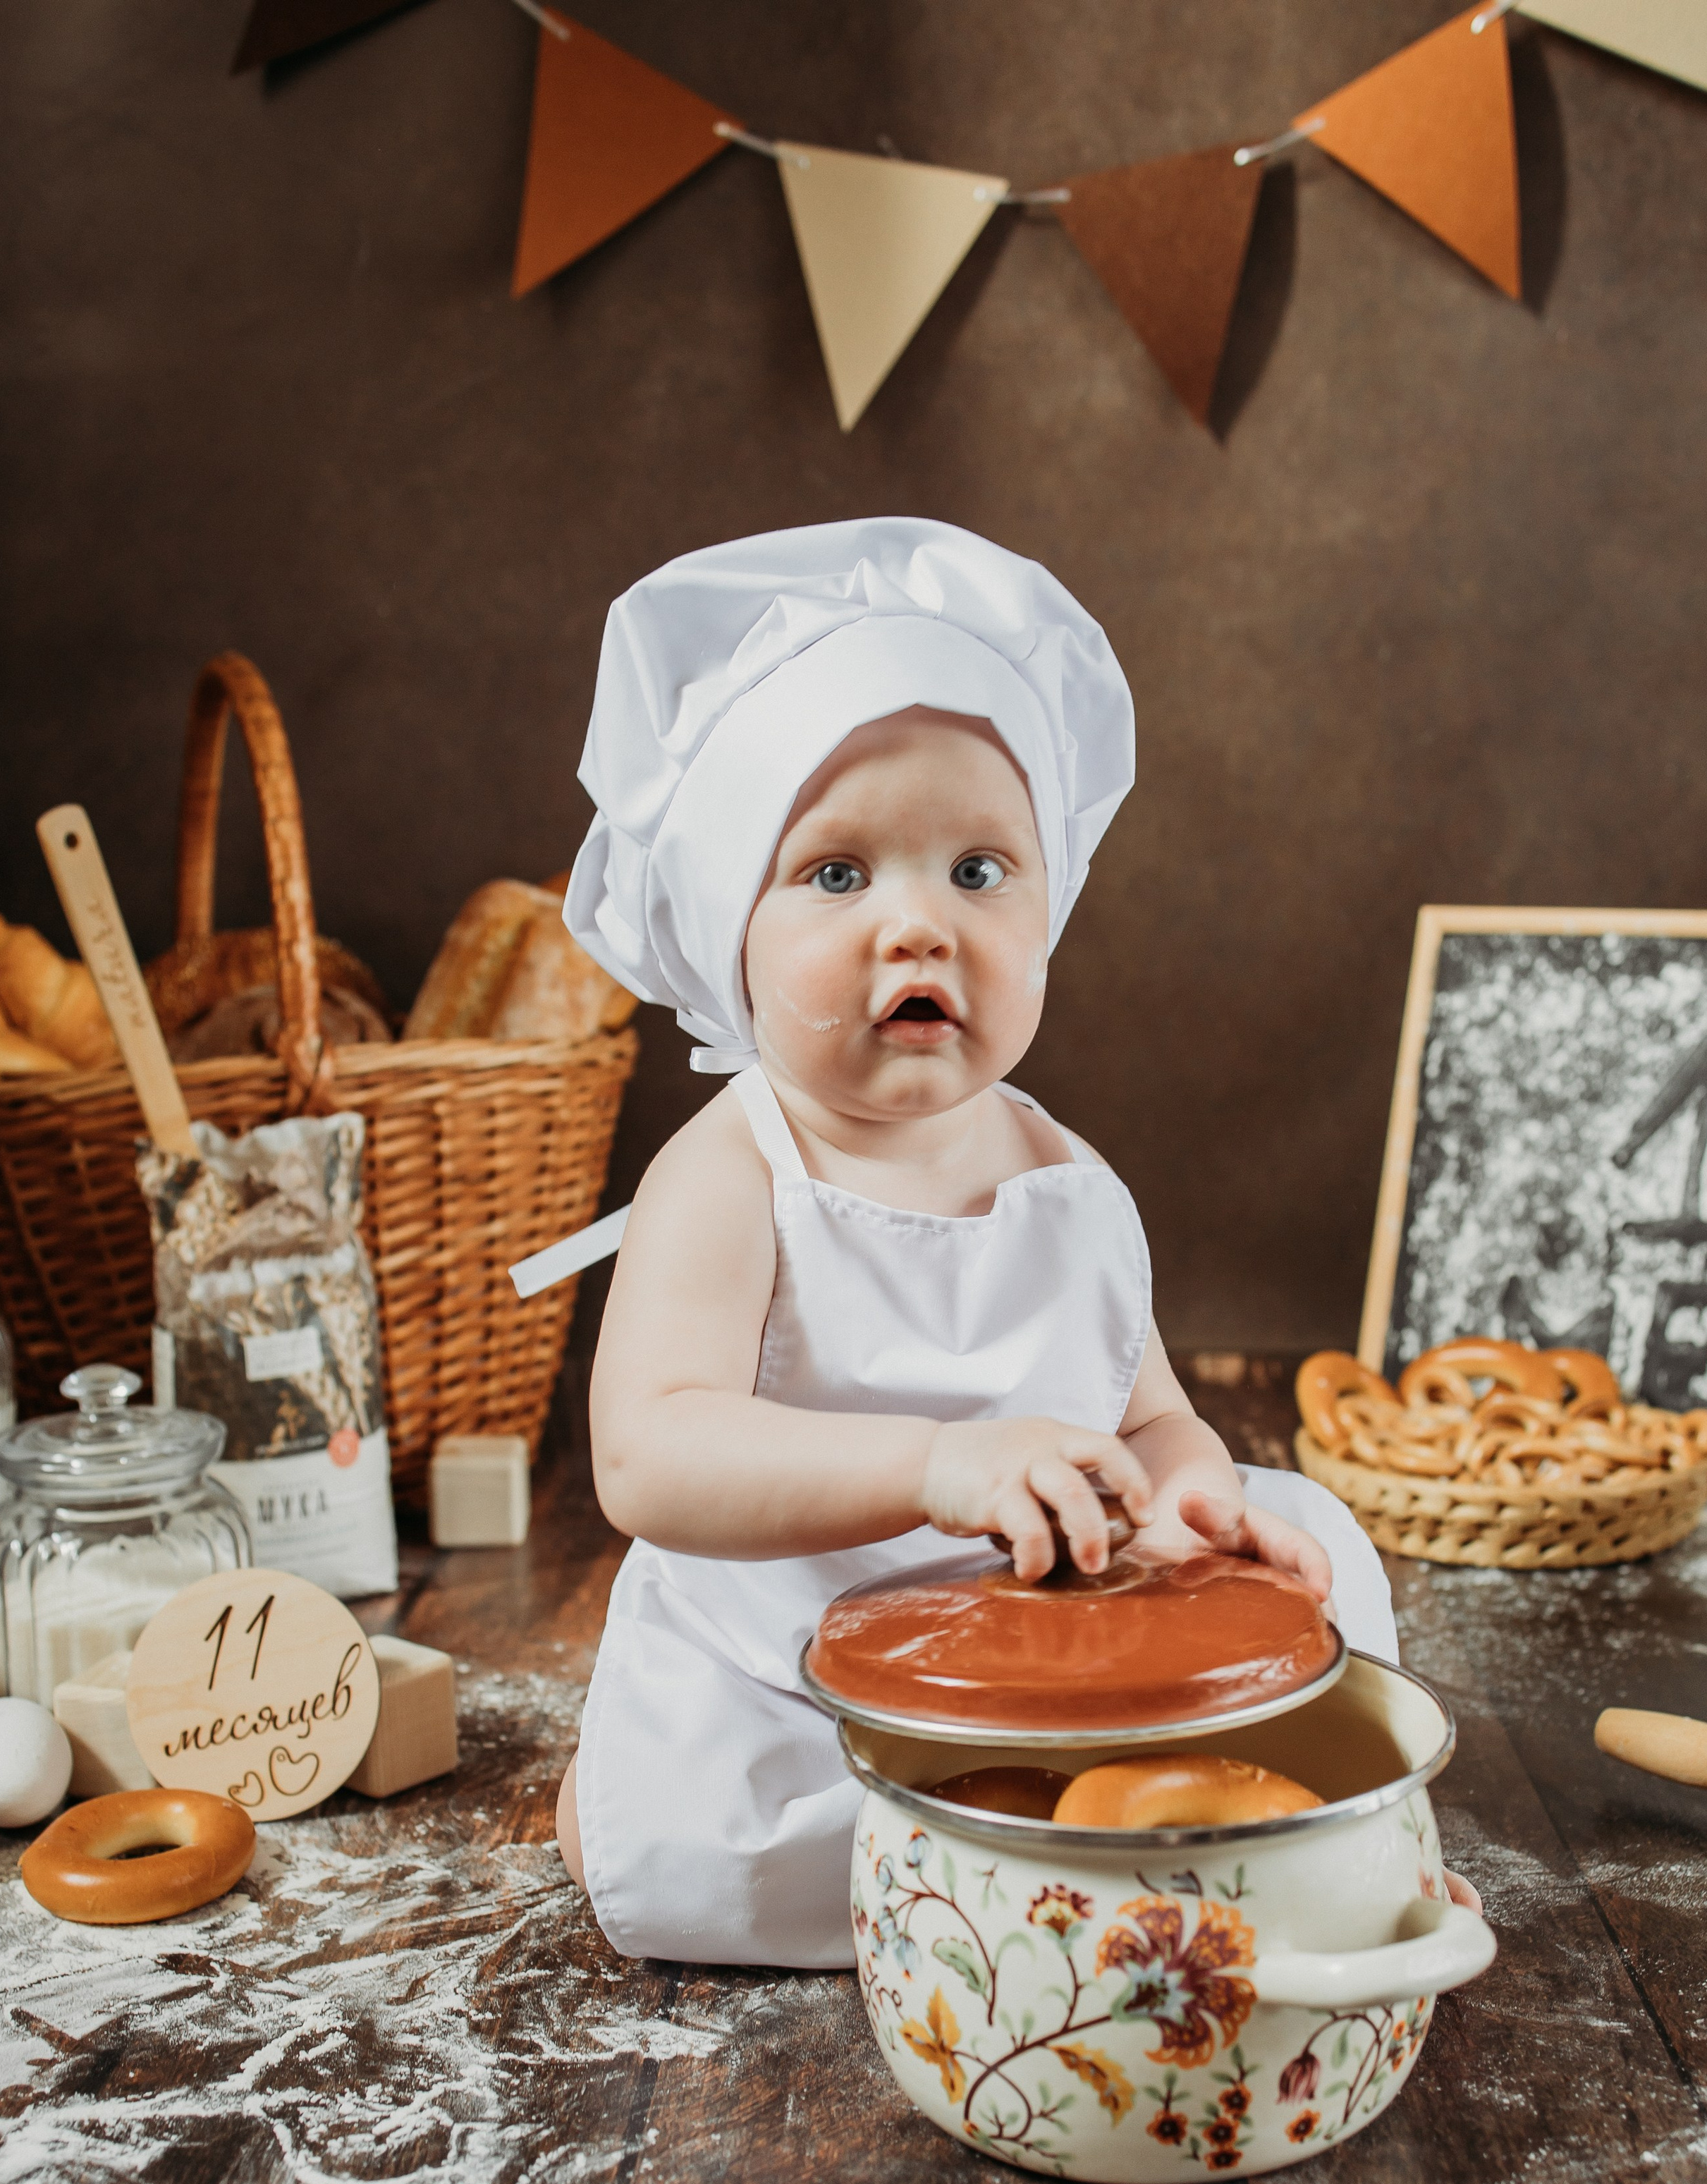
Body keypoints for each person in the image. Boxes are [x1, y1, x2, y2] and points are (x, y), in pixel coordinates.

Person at [551, 518, 1425, 1967]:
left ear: (1049, 906)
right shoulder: (731, 1174)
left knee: (1313, 1543)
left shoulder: (1064, 1177)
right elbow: (648, 1454)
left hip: (1047, 1644)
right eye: (836, 876)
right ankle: (1009, 1852)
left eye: (977, 870)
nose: (919, 927)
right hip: (799, 1672)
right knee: (709, 1848)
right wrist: (933, 1465)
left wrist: (1180, 1507)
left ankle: (1168, 1819)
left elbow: (1148, 1415)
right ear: (728, 934)